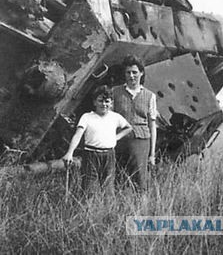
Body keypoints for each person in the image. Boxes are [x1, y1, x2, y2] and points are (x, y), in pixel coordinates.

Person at [62, 85, 132, 196]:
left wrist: (116, 138)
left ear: (111, 103)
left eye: (107, 101)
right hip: (91, 154)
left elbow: (129, 128)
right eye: (100, 101)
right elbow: (78, 135)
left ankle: (107, 211)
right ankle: (89, 210)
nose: (104, 104)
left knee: (108, 188)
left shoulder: (115, 117)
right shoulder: (87, 117)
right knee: (89, 188)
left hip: (109, 155)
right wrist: (69, 153)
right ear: (94, 102)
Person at [113, 55, 157, 191]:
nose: (131, 76)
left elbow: (152, 125)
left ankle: (141, 208)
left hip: (141, 141)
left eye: (135, 72)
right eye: (128, 72)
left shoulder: (150, 96)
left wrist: (152, 154)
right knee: (118, 177)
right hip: (119, 141)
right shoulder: (115, 92)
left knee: (140, 179)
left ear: (141, 73)